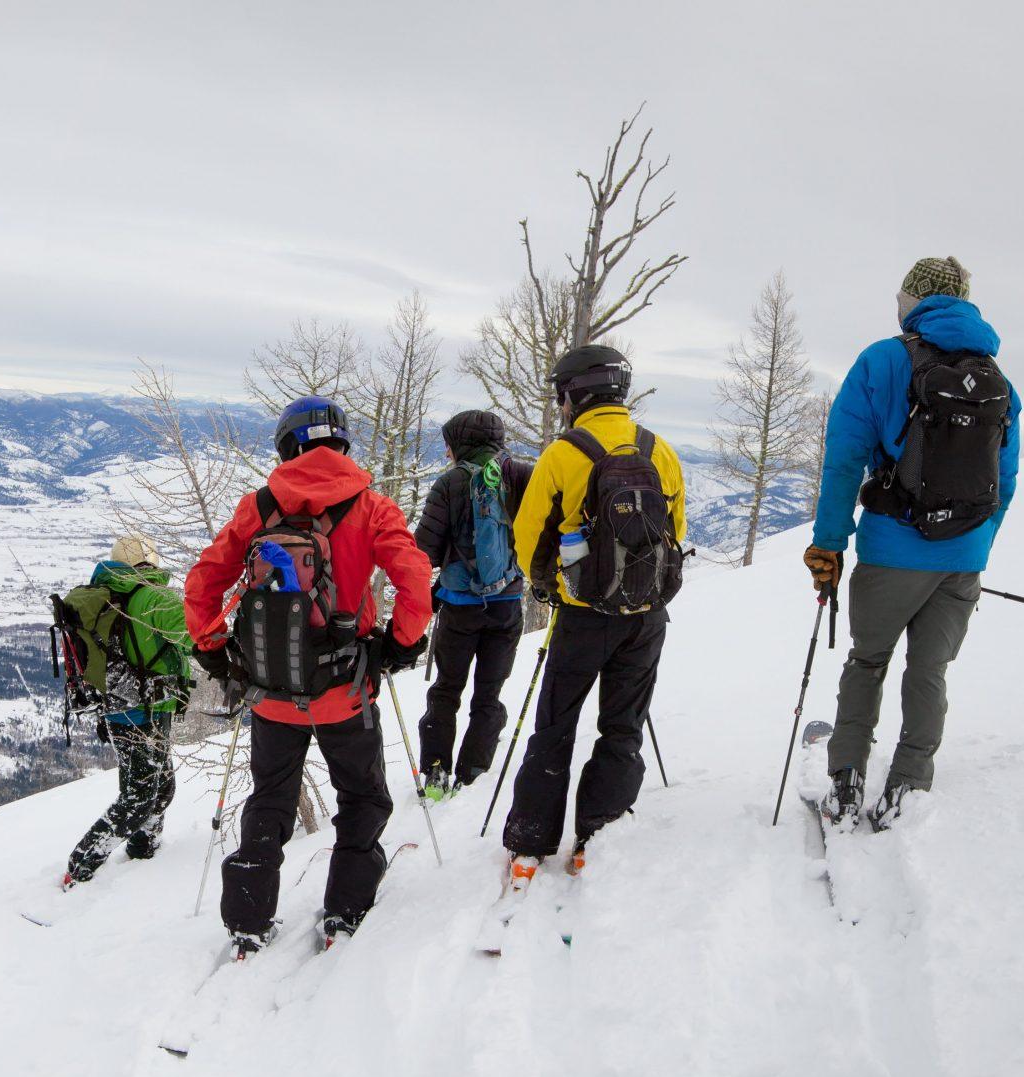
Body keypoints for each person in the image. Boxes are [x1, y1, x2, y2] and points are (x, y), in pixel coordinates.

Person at [184, 396, 431, 950]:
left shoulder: (259, 508)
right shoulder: (371, 507)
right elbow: (414, 579)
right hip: (346, 689)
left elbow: (203, 583)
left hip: (272, 692)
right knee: (362, 798)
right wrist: (397, 644)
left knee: (270, 799)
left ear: (287, 445)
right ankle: (346, 908)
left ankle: (248, 920)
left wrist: (215, 652)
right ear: (341, 444)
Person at [804, 256, 1020, 829]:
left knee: (868, 661)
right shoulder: (997, 378)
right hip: (963, 560)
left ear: (911, 301)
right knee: (929, 672)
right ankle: (908, 786)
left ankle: (846, 782)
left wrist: (828, 544)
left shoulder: (881, 361)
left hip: (891, 551)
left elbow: (846, 461)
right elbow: (1007, 478)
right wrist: (974, 545)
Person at [500, 344, 687, 885]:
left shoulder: (564, 454)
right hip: (646, 617)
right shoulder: (662, 451)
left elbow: (530, 534)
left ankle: (531, 840)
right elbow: (674, 532)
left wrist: (545, 585)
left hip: (583, 616)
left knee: (554, 727)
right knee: (622, 726)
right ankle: (597, 834)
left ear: (574, 393)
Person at [413, 409, 535, 799]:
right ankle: (474, 772)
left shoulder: (450, 483)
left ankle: (435, 773)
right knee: (489, 692)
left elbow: (424, 552)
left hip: (459, 607)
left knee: (447, 689)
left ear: (459, 444)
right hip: (508, 603)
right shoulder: (523, 476)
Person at [62, 535, 196, 886]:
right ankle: (80, 866)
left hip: (119, 707)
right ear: (151, 561)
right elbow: (197, 635)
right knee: (140, 798)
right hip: (146, 709)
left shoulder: (114, 594)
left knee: (158, 788)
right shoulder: (155, 598)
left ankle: (143, 852)